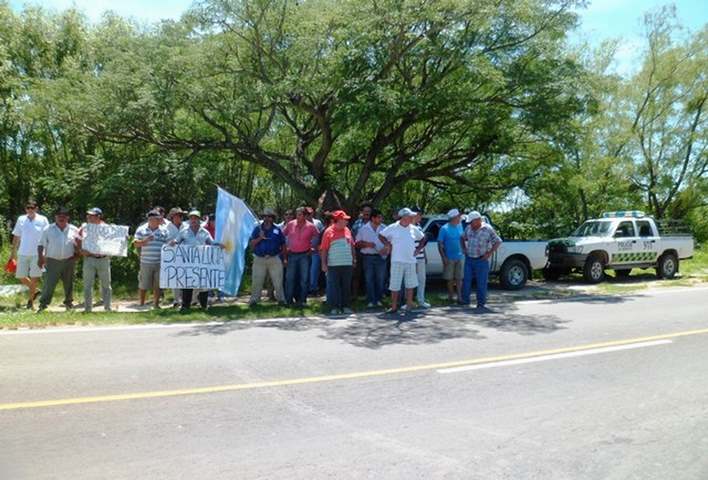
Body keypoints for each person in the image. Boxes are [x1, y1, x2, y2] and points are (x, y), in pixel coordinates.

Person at [173, 210, 221, 312]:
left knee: (203, 284)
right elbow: (177, 241)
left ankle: (204, 306)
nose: (193, 220)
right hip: (188, 262)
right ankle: (185, 306)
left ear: (199, 220)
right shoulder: (183, 231)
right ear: (189, 220)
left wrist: (219, 245)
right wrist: (172, 243)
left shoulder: (205, 232)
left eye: (195, 218)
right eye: (191, 218)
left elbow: (211, 243)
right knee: (187, 284)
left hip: (201, 262)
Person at [379, 208, 424, 315]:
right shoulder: (393, 227)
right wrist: (387, 244)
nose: (412, 217)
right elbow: (381, 235)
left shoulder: (413, 228)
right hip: (397, 260)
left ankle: (408, 306)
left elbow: (423, 238)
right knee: (395, 285)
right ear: (404, 217)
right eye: (410, 216)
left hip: (411, 261)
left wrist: (418, 249)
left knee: (410, 284)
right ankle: (394, 307)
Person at [37, 207, 79, 312]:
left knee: (69, 284)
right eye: (59, 216)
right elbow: (41, 244)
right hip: (52, 261)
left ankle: (69, 303)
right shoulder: (48, 229)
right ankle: (43, 305)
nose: (61, 218)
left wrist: (77, 255)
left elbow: (79, 244)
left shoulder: (74, 230)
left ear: (68, 217)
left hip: (69, 261)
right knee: (48, 284)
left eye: (64, 216)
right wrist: (40, 258)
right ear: (55, 217)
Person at [10, 200, 49, 309]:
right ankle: (35, 291)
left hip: (38, 253)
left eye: (32, 208)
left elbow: (47, 236)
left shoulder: (43, 219)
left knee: (34, 277)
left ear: (36, 209)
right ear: (25, 209)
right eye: (28, 208)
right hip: (22, 252)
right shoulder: (21, 219)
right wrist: (12, 253)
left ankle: (30, 303)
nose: (30, 210)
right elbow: (16, 236)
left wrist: (46, 253)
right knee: (20, 276)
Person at [461, 211, 502, 309]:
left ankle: (481, 303)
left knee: (481, 282)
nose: (470, 224)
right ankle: (465, 301)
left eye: (472, 222)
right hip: (469, 259)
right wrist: (464, 249)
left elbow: (498, 241)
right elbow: (462, 238)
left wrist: (489, 253)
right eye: (470, 222)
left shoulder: (488, 229)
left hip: (481, 260)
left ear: (478, 220)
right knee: (466, 281)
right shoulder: (468, 228)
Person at [320, 210, 356, 315]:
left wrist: (354, 259)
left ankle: (345, 306)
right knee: (334, 287)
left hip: (347, 264)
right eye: (345, 219)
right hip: (333, 265)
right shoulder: (328, 231)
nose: (347, 221)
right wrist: (323, 264)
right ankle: (334, 307)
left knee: (346, 286)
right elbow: (324, 249)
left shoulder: (347, 230)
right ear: (338, 220)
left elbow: (352, 246)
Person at [77, 208, 113, 312]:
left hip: (103, 259)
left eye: (91, 215)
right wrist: (80, 250)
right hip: (89, 259)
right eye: (88, 215)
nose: (88, 217)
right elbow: (76, 238)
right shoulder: (84, 227)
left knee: (106, 285)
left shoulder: (107, 228)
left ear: (98, 216)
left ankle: (108, 308)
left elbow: (114, 241)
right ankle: (88, 309)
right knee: (87, 285)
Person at [282, 207, 319, 307]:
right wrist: (285, 247)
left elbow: (317, 237)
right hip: (292, 255)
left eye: (300, 215)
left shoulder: (311, 226)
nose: (297, 216)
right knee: (289, 278)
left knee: (304, 279)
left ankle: (302, 301)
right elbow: (282, 235)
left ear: (305, 216)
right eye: (297, 214)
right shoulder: (291, 224)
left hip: (305, 255)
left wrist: (313, 247)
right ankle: (288, 301)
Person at [249, 208, 286, 306]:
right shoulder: (257, 229)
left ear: (273, 218)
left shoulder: (277, 230)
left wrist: (284, 258)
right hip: (259, 258)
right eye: (265, 216)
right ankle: (254, 300)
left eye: (269, 216)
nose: (267, 218)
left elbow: (283, 244)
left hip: (274, 258)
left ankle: (281, 300)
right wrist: (260, 237)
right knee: (257, 280)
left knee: (278, 281)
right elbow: (252, 244)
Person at [133, 210, 169, 309]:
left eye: (159, 219)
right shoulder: (141, 229)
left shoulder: (164, 230)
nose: (159, 220)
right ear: (150, 219)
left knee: (158, 285)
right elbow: (135, 244)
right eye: (157, 219)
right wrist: (145, 241)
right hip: (145, 262)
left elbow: (168, 245)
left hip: (160, 262)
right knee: (143, 284)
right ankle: (141, 304)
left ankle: (156, 305)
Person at [355, 208, 388, 308]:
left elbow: (391, 242)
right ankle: (371, 300)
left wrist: (386, 248)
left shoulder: (384, 228)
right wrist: (367, 244)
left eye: (381, 217)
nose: (381, 219)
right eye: (379, 217)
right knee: (369, 279)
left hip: (381, 257)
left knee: (380, 279)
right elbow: (357, 243)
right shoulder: (363, 229)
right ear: (373, 218)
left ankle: (378, 299)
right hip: (368, 257)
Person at [438, 208, 466, 304]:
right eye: (458, 217)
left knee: (459, 278)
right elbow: (440, 244)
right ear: (454, 217)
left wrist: (464, 249)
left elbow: (462, 238)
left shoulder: (460, 226)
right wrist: (443, 257)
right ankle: (451, 296)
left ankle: (459, 297)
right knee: (449, 278)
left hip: (460, 256)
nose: (459, 218)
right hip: (449, 257)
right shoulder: (444, 228)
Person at [166, 207, 186, 307]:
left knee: (185, 277)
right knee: (174, 277)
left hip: (185, 255)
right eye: (177, 216)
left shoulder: (186, 226)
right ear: (172, 217)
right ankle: (176, 299)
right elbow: (165, 241)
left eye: (180, 216)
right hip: (172, 256)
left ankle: (186, 299)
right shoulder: (167, 227)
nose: (179, 218)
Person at [411, 207, 430, 309]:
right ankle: (408, 301)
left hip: (421, 257)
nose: (420, 217)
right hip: (412, 258)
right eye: (419, 214)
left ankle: (421, 300)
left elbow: (422, 243)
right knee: (410, 280)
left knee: (422, 280)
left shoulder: (419, 226)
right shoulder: (408, 226)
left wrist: (425, 255)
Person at [305, 207, 325, 295]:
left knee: (314, 271)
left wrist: (319, 247)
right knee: (305, 271)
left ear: (312, 214)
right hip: (304, 251)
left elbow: (323, 235)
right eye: (306, 214)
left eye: (310, 214)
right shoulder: (301, 223)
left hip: (316, 251)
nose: (308, 215)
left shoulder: (318, 222)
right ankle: (305, 289)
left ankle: (313, 289)